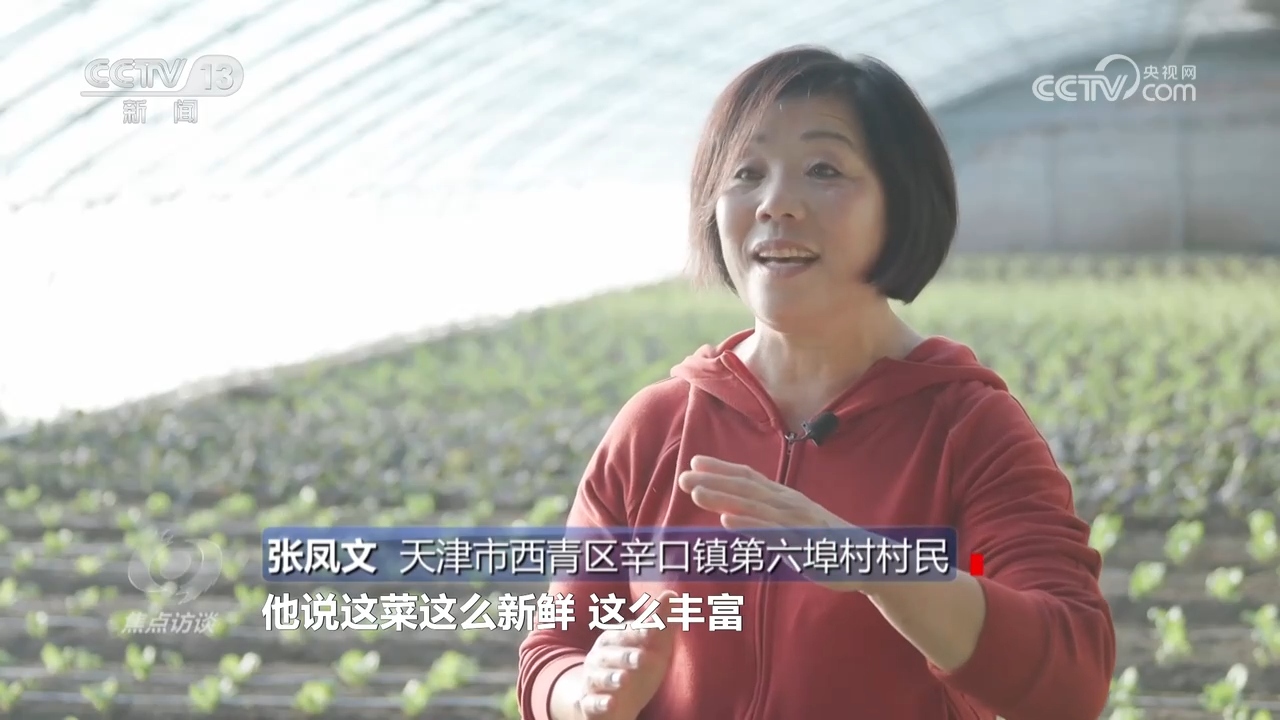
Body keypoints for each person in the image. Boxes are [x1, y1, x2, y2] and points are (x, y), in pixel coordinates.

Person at [517, 46, 1116, 720]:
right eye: (746, 173)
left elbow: (1072, 679)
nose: (775, 204)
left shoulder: (967, 429)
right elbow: (554, 649)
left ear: (900, 201)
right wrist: (584, 694)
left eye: (824, 169)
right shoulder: (657, 427)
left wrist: (878, 568)